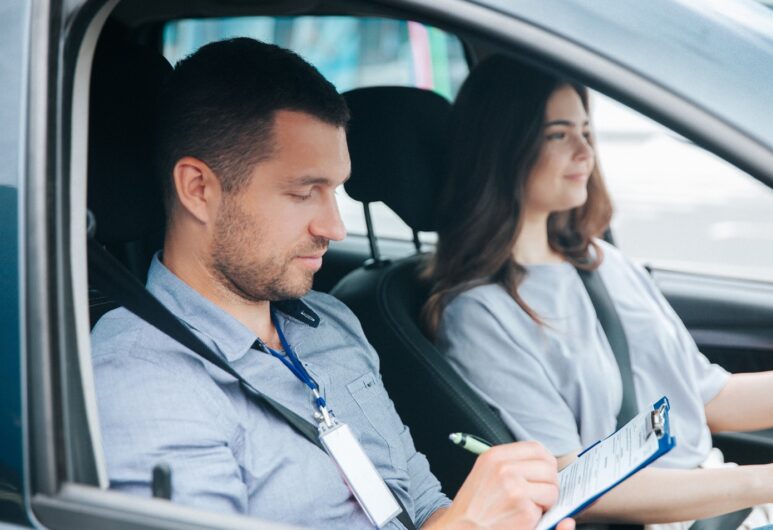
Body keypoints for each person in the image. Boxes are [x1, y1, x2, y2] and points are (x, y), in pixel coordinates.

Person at [91, 39, 576, 530]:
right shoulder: (144, 380)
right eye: (305, 193)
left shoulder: (331, 323)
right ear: (199, 189)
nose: (334, 226)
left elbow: (423, 508)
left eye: (336, 191)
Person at [425, 55, 773, 529]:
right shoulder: (481, 315)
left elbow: (711, 398)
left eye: (586, 131)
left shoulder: (601, 262)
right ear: (504, 148)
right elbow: (575, 486)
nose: (585, 152)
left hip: (722, 498)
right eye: (559, 135)